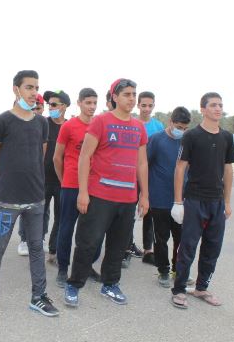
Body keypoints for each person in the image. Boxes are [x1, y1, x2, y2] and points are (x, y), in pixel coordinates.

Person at [0, 70, 59, 322]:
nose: (34, 92)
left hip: (36, 199)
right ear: (16, 89)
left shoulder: (41, 123)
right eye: (29, 87)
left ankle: (39, 297)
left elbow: (40, 155)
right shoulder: (2, 121)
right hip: (7, 200)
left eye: (36, 87)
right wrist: (3, 180)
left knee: (36, 248)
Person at [64, 78, 149, 308]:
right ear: (114, 97)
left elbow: (142, 163)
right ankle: (74, 284)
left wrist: (144, 195)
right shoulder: (101, 122)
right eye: (127, 94)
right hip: (99, 196)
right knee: (88, 243)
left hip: (127, 199)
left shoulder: (139, 127)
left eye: (134, 94)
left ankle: (110, 284)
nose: (131, 99)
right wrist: (83, 192)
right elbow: (85, 157)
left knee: (118, 246)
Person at [170, 92, 234, 309]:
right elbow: (180, 168)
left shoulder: (226, 137)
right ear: (203, 109)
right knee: (188, 247)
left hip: (217, 202)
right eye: (213, 105)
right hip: (194, 200)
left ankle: (201, 288)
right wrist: (178, 202)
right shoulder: (192, 136)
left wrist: (227, 202)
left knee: (212, 248)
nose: (218, 109)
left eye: (220, 105)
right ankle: (179, 289)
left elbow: (228, 169)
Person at [53, 88, 102, 287]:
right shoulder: (69, 126)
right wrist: (64, 180)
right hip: (71, 185)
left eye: (94, 103)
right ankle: (62, 268)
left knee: (94, 231)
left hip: (94, 186)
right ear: (79, 103)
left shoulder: (100, 125)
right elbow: (57, 157)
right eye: (88, 102)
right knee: (66, 227)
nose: (92, 106)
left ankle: (86, 266)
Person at [17, 90, 69, 261]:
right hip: (41, 179)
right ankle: (26, 240)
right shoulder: (41, 123)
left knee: (61, 216)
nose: (50, 108)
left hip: (63, 180)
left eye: (54, 104)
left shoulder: (70, 126)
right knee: (34, 213)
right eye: (49, 105)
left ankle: (52, 247)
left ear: (64, 106)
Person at [147, 106, 191, 287]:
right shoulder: (156, 140)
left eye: (185, 128)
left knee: (181, 238)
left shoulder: (188, 141)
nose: (182, 131)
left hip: (181, 200)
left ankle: (177, 270)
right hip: (159, 199)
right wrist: (144, 194)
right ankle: (163, 271)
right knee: (161, 238)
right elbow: (144, 165)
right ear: (170, 122)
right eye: (179, 127)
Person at [135, 91, 164, 265]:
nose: (146, 108)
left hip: (151, 175)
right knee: (127, 212)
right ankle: (125, 248)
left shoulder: (158, 126)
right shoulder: (131, 123)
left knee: (149, 212)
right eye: (143, 105)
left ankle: (148, 250)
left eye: (150, 105)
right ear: (138, 105)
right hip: (131, 173)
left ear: (154, 106)